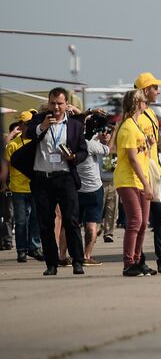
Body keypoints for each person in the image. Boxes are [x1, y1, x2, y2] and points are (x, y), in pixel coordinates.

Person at [24, 87, 89, 275]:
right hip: (42, 179)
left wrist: (74, 157)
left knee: (71, 220)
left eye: (60, 103)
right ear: (48, 102)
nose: (56, 107)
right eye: (52, 103)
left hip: (65, 177)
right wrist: (42, 126)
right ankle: (51, 264)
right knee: (45, 223)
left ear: (66, 104)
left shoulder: (75, 125)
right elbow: (28, 135)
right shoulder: (40, 119)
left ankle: (77, 260)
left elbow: (83, 150)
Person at [132, 72, 161, 274]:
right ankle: (138, 259)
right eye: (155, 87)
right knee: (143, 220)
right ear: (144, 91)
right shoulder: (133, 116)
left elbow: (156, 144)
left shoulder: (151, 113)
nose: (158, 91)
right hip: (141, 174)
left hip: (155, 173)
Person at [114, 90, 155, 277]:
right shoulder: (128, 127)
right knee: (135, 221)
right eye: (144, 101)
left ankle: (138, 260)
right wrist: (147, 184)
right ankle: (128, 262)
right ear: (137, 103)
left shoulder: (137, 126)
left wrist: (149, 144)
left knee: (144, 223)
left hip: (140, 179)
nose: (146, 103)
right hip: (128, 179)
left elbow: (139, 153)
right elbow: (131, 158)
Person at [6, 112, 41, 262]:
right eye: (27, 124)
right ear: (21, 125)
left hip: (36, 187)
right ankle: (21, 250)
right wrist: (4, 184)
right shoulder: (13, 145)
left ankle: (34, 247)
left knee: (36, 220)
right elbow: (6, 167)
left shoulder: (38, 142)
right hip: (18, 189)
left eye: (32, 124)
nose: (30, 127)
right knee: (21, 221)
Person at [77, 123, 109, 265]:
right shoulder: (90, 144)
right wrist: (111, 135)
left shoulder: (69, 143)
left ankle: (63, 255)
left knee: (71, 224)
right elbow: (108, 150)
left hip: (76, 188)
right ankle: (86, 255)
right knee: (91, 223)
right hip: (94, 188)